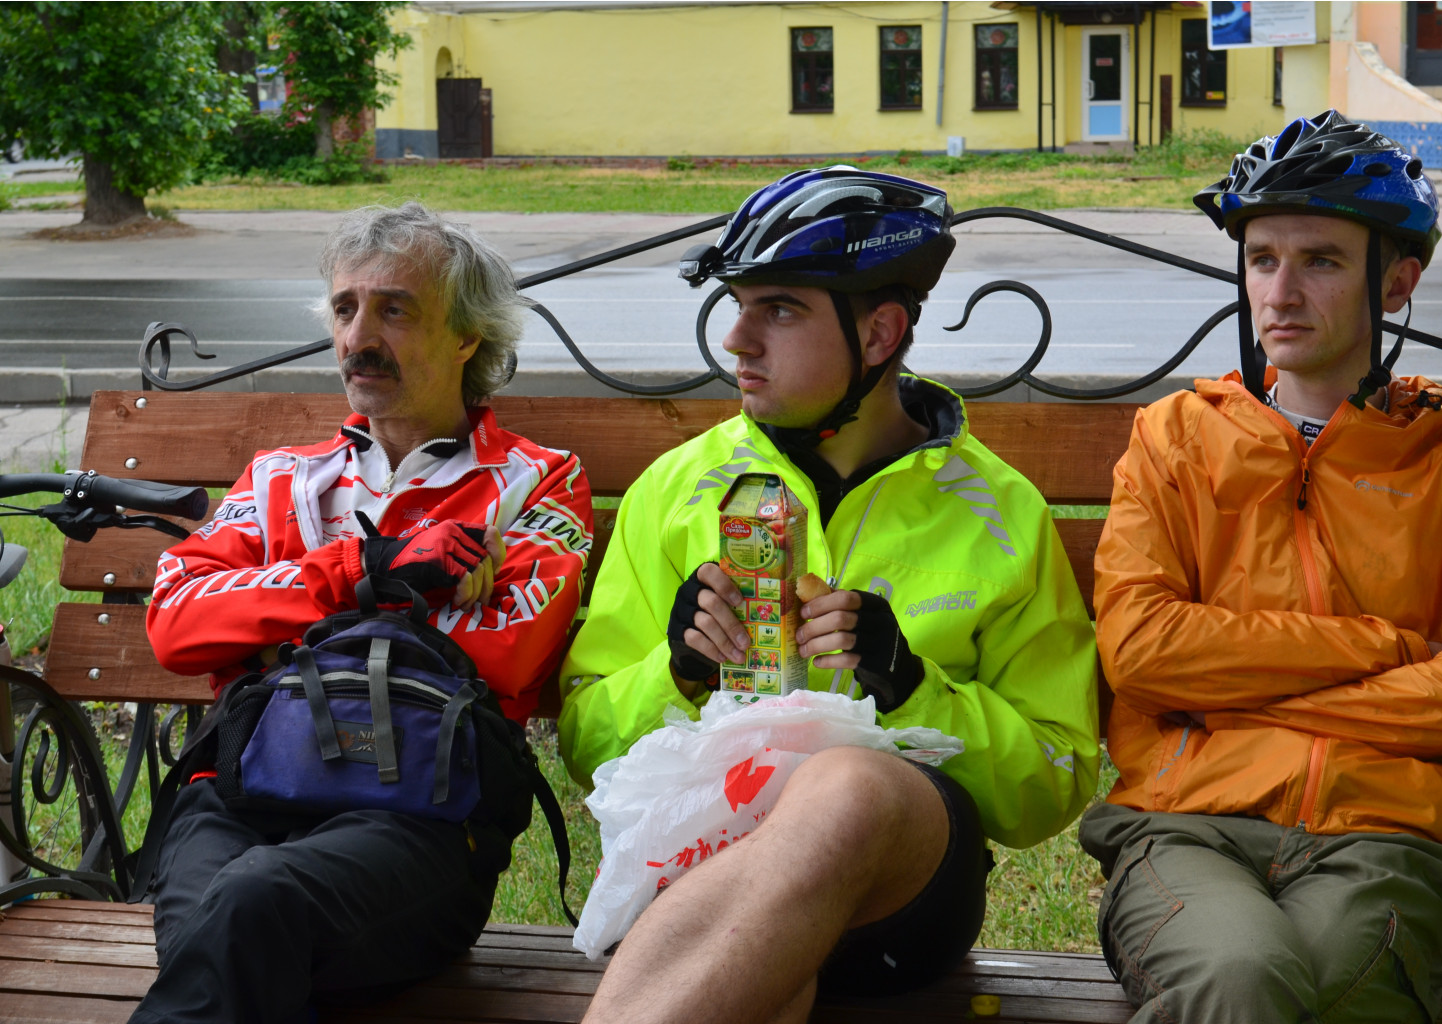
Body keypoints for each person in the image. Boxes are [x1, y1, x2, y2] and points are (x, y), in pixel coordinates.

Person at [559, 167, 1099, 1023]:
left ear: (880, 332)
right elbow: (587, 742)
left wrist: (912, 687)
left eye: (778, 310)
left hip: (900, 891)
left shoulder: (1000, 513)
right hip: (706, 857)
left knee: (847, 785)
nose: (737, 339)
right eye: (738, 305)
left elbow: (1054, 782)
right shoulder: (677, 490)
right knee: (766, 981)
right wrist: (678, 671)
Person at [1082, 110, 1442, 1023]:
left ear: (1397, 282)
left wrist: (1230, 696)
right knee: (1238, 977)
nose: (1280, 293)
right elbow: (1140, 651)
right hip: (1186, 830)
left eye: (1321, 261)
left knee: (1324, 1000)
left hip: (1387, 843)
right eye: (1261, 259)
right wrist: (1384, 646)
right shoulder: (1175, 438)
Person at [132, 202, 593, 1023]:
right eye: (345, 309)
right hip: (238, 795)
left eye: (395, 310)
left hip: (422, 816)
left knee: (249, 908)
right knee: (238, 937)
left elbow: (503, 653)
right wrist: (366, 570)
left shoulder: (537, 482)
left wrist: (275, 630)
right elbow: (176, 620)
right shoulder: (280, 477)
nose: (357, 337)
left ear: (467, 336)